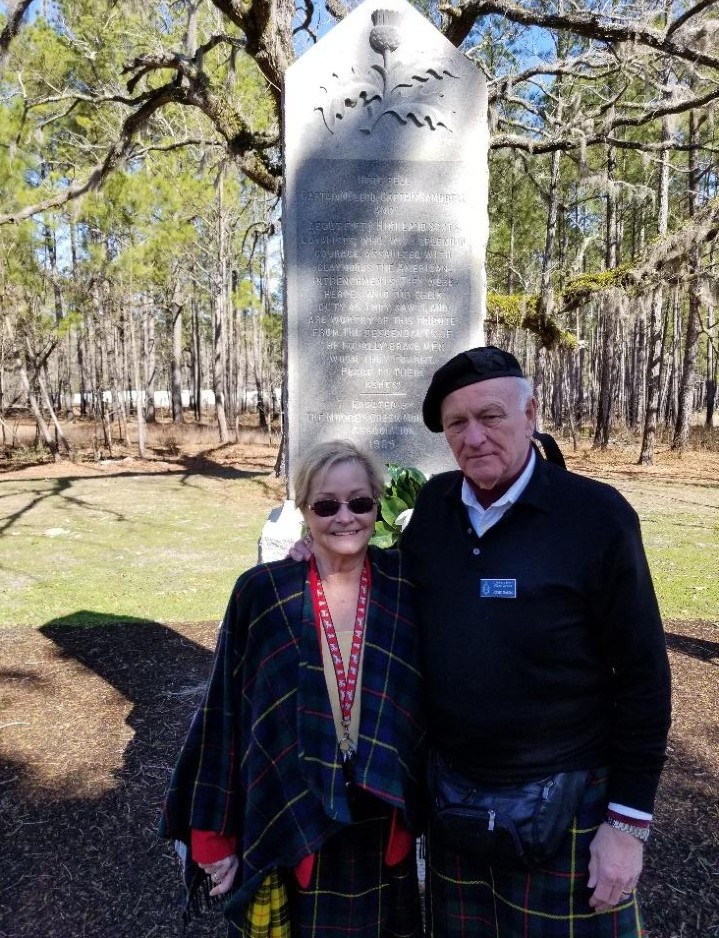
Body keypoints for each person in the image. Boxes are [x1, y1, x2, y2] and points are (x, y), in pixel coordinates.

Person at [399, 345, 672, 937]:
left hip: (569, 799)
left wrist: (626, 826)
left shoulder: (597, 517)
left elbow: (645, 677)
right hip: (454, 796)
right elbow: (388, 589)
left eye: (490, 416)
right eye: (456, 424)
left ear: (531, 414)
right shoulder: (434, 508)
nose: (474, 437)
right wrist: (317, 560)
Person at [160, 440, 425, 938]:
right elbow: (225, 714)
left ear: (377, 506)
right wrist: (211, 834)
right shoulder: (263, 591)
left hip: (383, 814)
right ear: (303, 509)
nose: (345, 517)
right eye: (326, 505)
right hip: (292, 813)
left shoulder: (405, 583)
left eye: (360, 502)